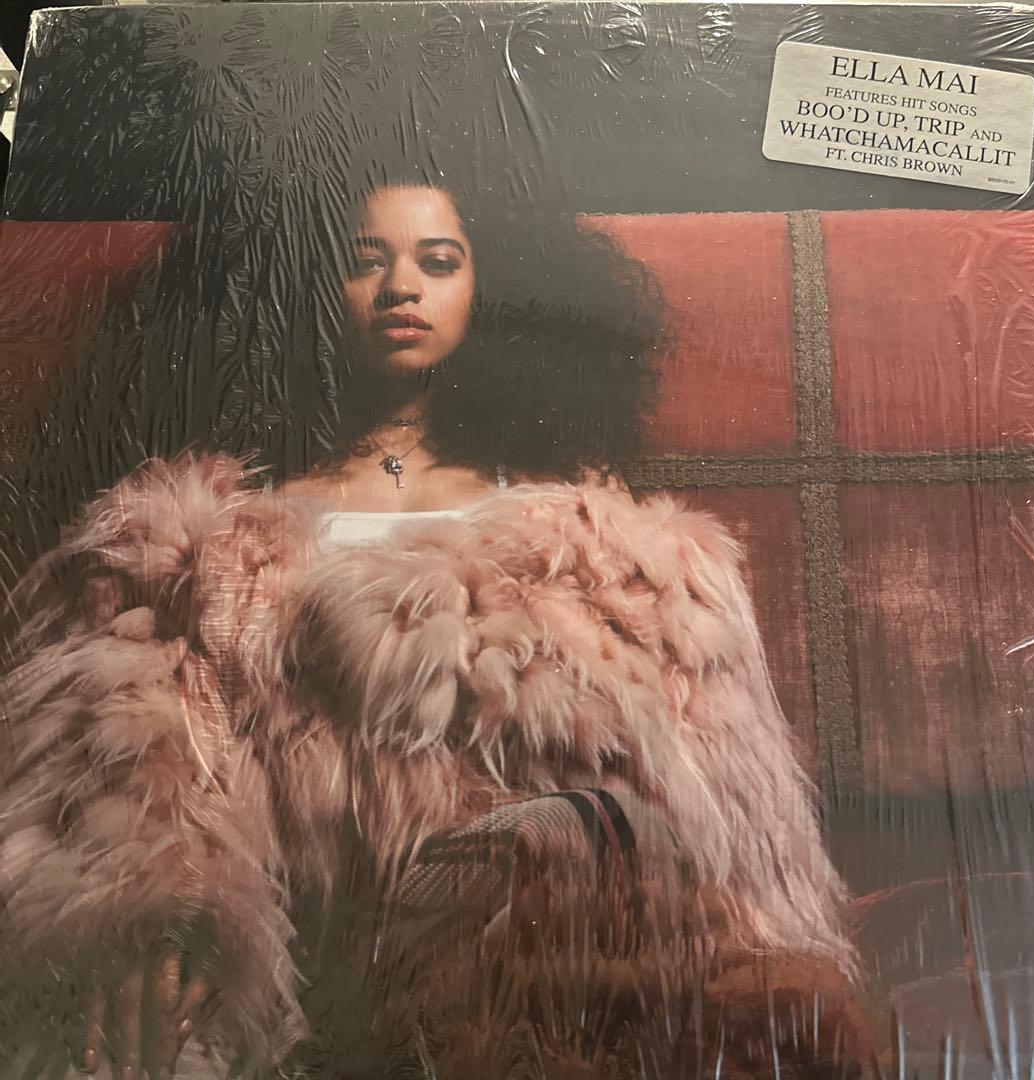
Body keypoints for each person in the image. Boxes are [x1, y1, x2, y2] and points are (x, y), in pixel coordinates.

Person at [0, 159, 869, 1079]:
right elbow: (129, 762)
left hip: (543, 960)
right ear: (298, 287)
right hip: (310, 953)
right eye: (365, 259)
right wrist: (158, 914)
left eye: (439, 260)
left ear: (492, 289)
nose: (401, 286)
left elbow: (718, 823)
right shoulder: (190, 546)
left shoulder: (605, 548)